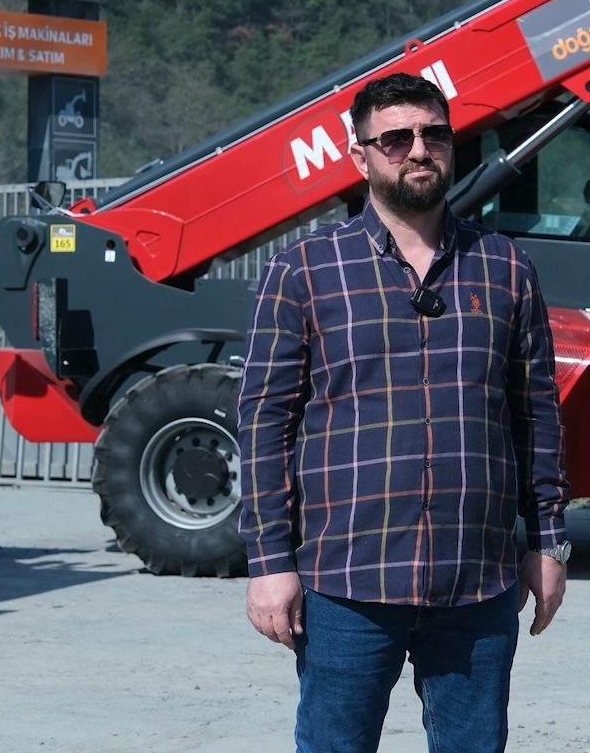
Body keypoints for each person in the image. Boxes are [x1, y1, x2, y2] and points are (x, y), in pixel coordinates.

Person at [238, 71, 570, 753]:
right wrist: (268, 562)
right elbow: (264, 426)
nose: (419, 150)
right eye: (396, 138)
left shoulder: (505, 268)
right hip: (346, 582)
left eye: (434, 134)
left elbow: (535, 417)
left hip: (475, 581)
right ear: (360, 156)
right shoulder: (305, 270)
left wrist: (547, 541)